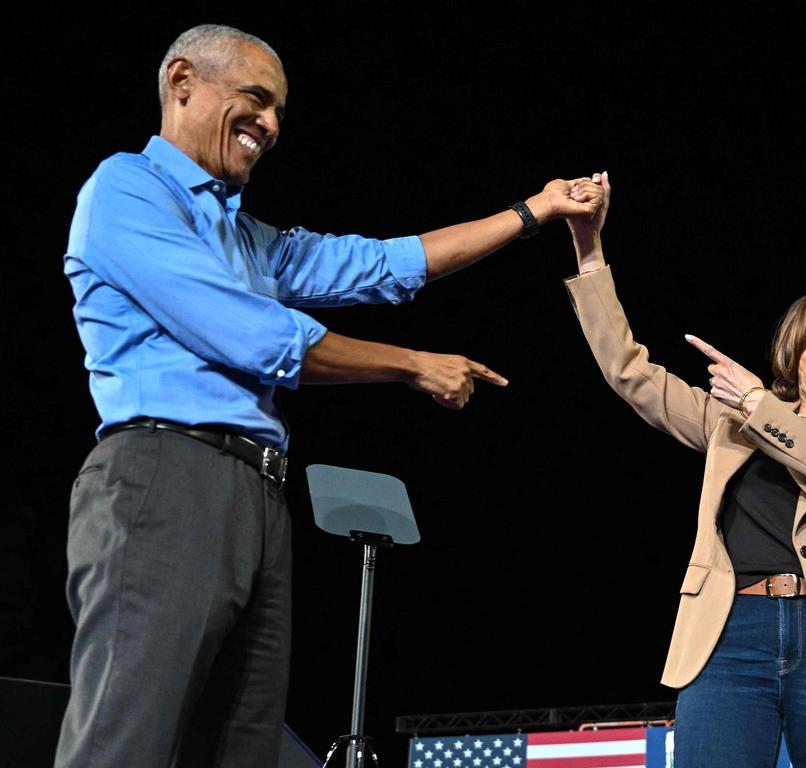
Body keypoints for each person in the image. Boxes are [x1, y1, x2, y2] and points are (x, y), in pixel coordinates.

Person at [57, 24, 602, 768]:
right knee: (128, 739)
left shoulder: (249, 239)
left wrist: (532, 212)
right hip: (162, 479)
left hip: (254, 493)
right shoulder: (125, 189)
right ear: (182, 82)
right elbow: (254, 336)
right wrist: (409, 364)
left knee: (240, 749)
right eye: (255, 100)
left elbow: (385, 264)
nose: (272, 126)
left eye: (280, 110)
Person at [562, 173, 806, 766]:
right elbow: (629, 372)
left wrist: (763, 409)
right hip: (729, 636)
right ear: (797, 350)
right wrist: (589, 248)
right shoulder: (730, 421)